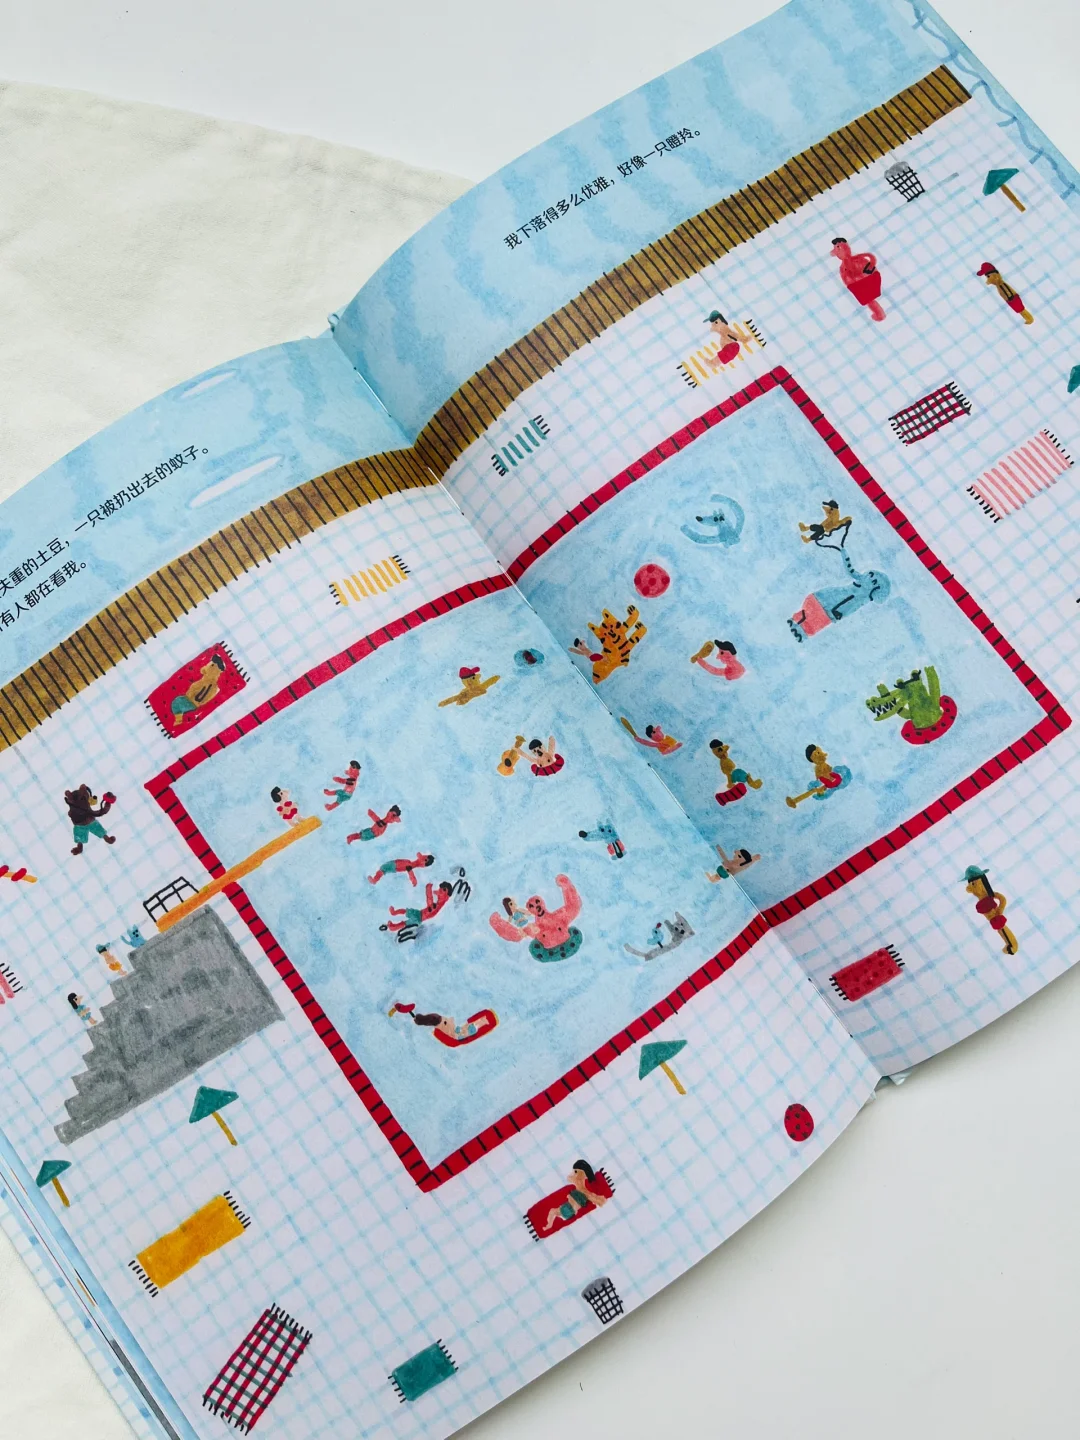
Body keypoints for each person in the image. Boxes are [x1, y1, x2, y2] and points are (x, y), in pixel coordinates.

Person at [542, 1160, 610, 1232]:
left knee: (552, 1211)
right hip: (569, 1208)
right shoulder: (581, 1188)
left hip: (569, 1209)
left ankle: (549, 1226)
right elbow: (570, 1178)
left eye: (575, 1172)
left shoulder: (582, 1189)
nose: (573, 1174)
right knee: (553, 1211)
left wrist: (600, 1199)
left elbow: (570, 1178)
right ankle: (549, 1225)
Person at [830, 237, 885, 321]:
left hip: (867, 281)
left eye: (838, 247)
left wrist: (865, 272)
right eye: (836, 248)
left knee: (868, 299)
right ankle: (879, 314)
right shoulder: (845, 266)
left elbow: (871, 261)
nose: (837, 251)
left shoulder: (859, 260)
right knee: (868, 299)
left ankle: (879, 314)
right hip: (859, 285)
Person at [169, 653, 227, 728]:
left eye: (211, 665)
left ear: (215, 669)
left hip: (192, 701)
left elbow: (205, 695)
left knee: (176, 703)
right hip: (191, 700)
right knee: (177, 701)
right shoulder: (209, 680)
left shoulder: (211, 684)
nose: (208, 665)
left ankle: (179, 721)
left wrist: (197, 699)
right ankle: (179, 719)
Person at [65, 786, 116, 856]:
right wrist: (107, 804)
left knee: (86, 833)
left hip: (81, 823)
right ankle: (105, 838)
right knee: (96, 830)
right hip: (86, 822)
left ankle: (80, 846)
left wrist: (107, 804)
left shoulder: (76, 807)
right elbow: (101, 812)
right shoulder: (81, 806)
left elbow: (101, 812)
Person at [368, 853, 435, 886]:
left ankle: (375, 880)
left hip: (395, 865)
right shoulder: (412, 863)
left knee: (383, 868)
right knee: (383, 868)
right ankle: (375, 880)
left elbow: (411, 873)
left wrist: (414, 881)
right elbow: (419, 855)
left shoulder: (410, 865)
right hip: (395, 864)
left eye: (425, 859)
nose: (423, 857)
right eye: (425, 857)